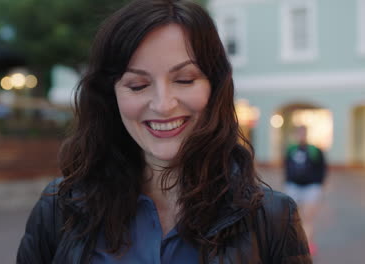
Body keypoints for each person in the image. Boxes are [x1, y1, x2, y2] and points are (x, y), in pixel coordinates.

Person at [17, 0, 311, 263]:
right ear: (111, 96)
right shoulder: (58, 208)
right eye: (138, 85)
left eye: (184, 79)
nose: (163, 105)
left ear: (215, 87)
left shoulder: (272, 218)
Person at [284, 125, 327, 256]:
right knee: (292, 217)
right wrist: (288, 180)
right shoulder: (291, 149)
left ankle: (307, 244)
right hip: (294, 186)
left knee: (308, 218)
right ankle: (295, 243)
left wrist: (319, 184)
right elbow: (286, 166)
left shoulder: (315, 150)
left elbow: (322, 167)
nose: (301, 135)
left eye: (303, 133)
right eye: (299, 133)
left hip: (311, 187)